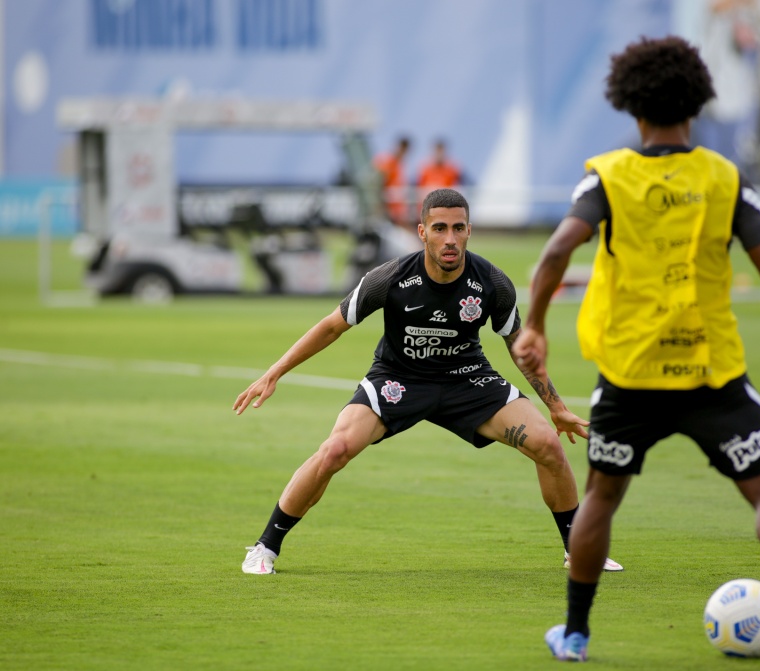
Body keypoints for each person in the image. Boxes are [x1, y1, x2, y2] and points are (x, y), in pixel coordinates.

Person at [511, 36, 760, 662]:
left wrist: (536, 326)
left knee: (602, 497)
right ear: (698, 100)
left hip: (630, 377)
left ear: (631, 106)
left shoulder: (610, 176)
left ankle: (575, 633)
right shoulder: (723, 177)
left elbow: (554, 252)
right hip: (712, 374)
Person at [235, 188, 623, 576]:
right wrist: (275, 372)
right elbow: (331, 327)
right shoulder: (389, 278)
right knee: (335, 449)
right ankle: (265, 547)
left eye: (458, 228)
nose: (450, 239)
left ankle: (578, 550)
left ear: (470, 230)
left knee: (548, 445)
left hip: (467, 380)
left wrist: (556, 407)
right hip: (398, 379)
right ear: (422, 231)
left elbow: (519, 345)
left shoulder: (492, 282)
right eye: (439, 228)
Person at [416, 138, 464, 220]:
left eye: (441, 151)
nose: (439, 154)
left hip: (445, 208)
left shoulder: (452, 169)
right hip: (428, 207)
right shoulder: (425, 168)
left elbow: (458, 187)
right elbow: (419, 188)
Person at [373, 135, 413, 228]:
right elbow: (380, 183)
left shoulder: (399, 164)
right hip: (388, 208)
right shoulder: (387, 162)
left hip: (397, 209)